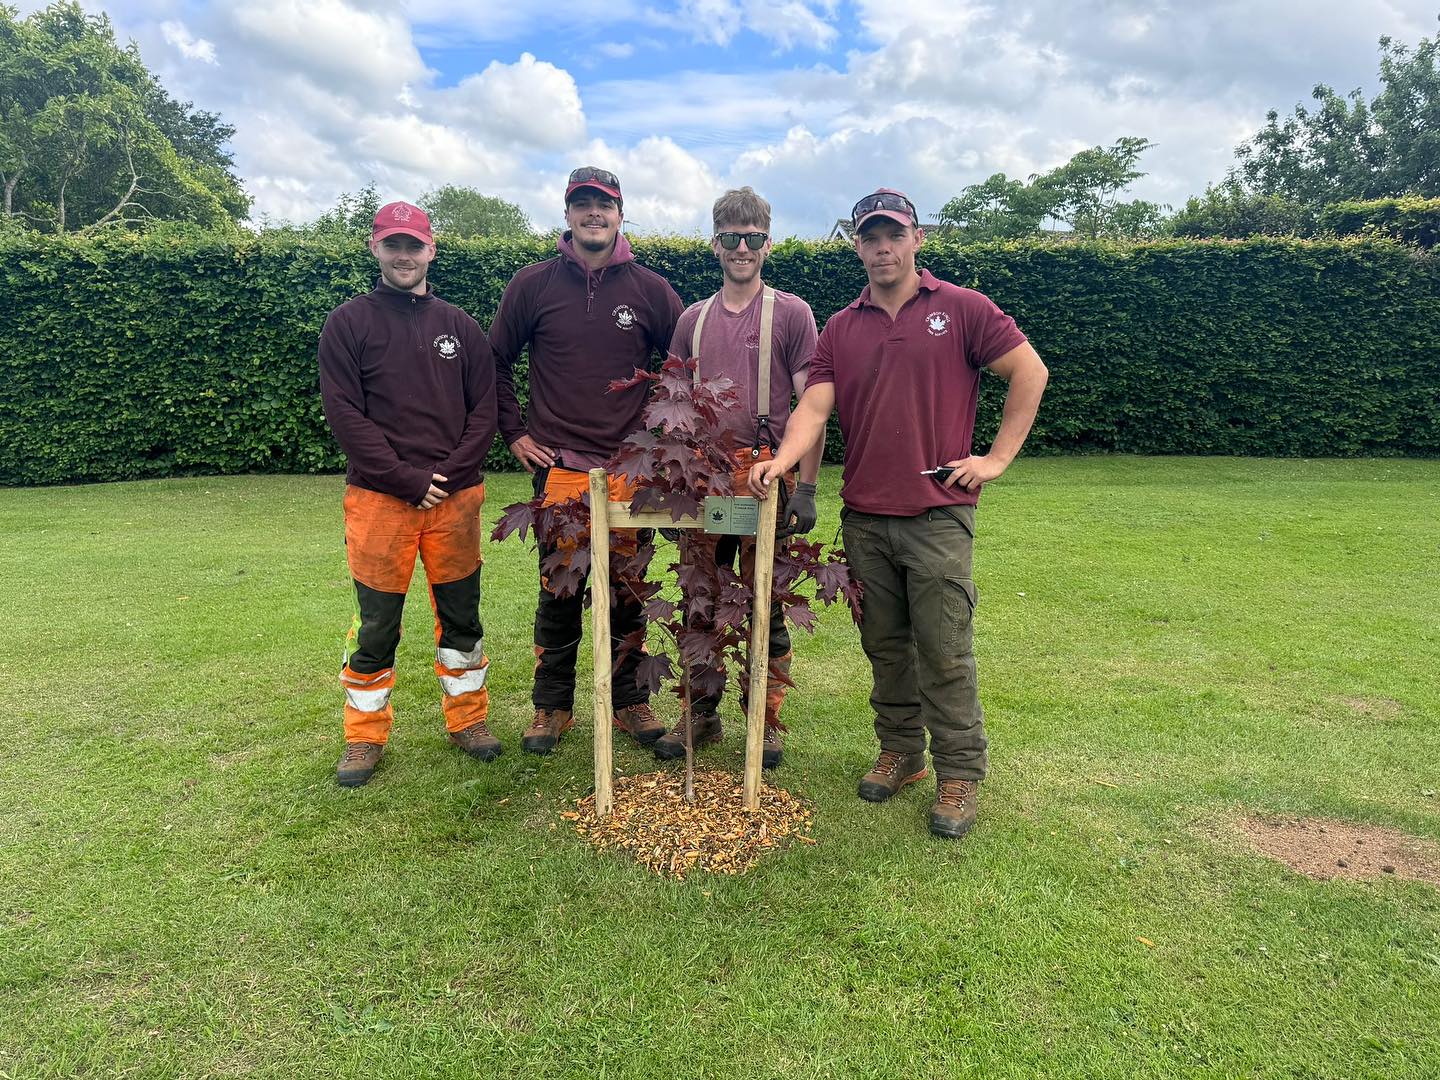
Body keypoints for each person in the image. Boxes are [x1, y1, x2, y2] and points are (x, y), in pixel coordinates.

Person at [750, 188, 1048, 839]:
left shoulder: (962, 309)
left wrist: (996, 459)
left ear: (917, 239)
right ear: (858, 246)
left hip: (937, 516)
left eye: (894, 234)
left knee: (944, 649)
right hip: (866, 518)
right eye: (870, 237)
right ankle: (902, 751)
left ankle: (959, 773)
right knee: (884, 646)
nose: (882, 247)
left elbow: (1030, 371)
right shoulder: (842, 327)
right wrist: (781, 461)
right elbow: (814, 408)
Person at [489, 166, 684, 754]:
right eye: (582, 203)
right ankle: (551, 707)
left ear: (621, 214)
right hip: (562, 468)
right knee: (560, 590)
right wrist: (514, 432)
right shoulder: (533, 285)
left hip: (628, 471)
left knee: (627, 591)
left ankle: (630, 701)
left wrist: (657, 444)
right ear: (568, 213)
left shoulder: (651, 290)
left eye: (604, 203)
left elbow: (682, 371)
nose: (593, 213)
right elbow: (494, 360)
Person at [318, 201, 500, 788]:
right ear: (375, 247)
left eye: (414, 245)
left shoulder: (460, 326)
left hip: (456, 499)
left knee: (461, 617)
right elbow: (345, 415)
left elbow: (485, 411)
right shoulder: (348, 323)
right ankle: (364, 736)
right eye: (393, 244)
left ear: (431, 251)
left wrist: (445, 476)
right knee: (376, 625)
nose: (404, 255)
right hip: (379, 502)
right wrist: (407, 480)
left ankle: (468, 720)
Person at [656, 187, 820, 768]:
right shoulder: (691, 320)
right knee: (699, 596)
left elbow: (812, 407)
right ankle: (700, 712)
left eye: (753, 237)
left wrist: (806, 487)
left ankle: (764, 719)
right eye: (731, 237)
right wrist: (671, 482)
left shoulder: (792, 314)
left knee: (763, 598)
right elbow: (672, 408)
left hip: (763, 473)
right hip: (702, 476)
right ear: (715, 243)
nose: (742, 248)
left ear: (768, 244)